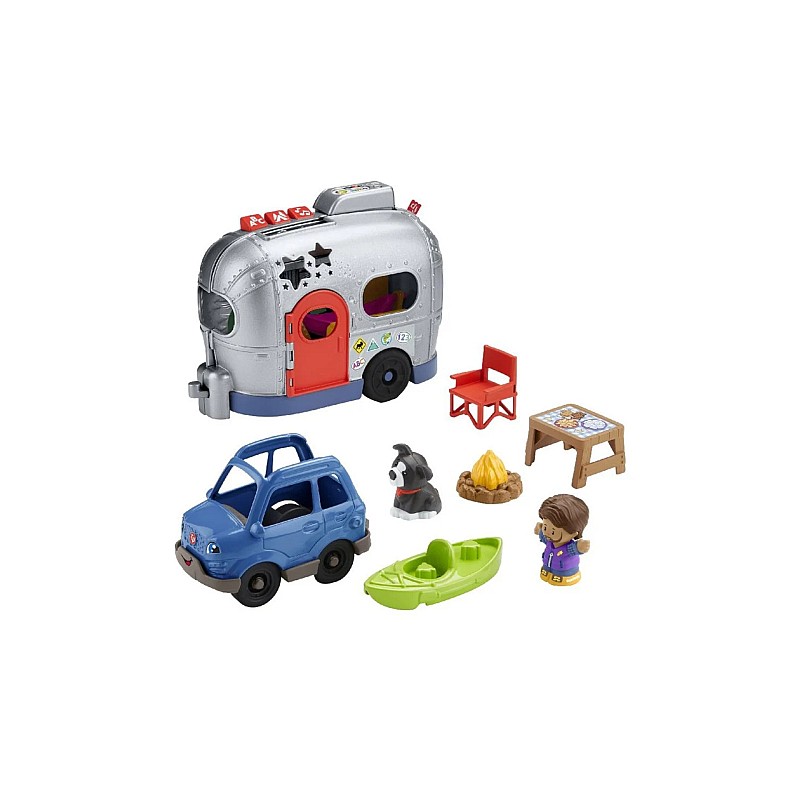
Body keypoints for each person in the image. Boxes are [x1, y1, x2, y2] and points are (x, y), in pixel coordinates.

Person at [536, 494, 590, 586]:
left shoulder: (568, 548)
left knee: (559, 575)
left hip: (564, 571)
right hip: (547, 566)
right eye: (545, 527)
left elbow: (575, 549)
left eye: (553, 531)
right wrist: (540, 531)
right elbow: (544, 538)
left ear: (573, 532)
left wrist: (580, 547)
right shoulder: (549, 541)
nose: (547, 533)